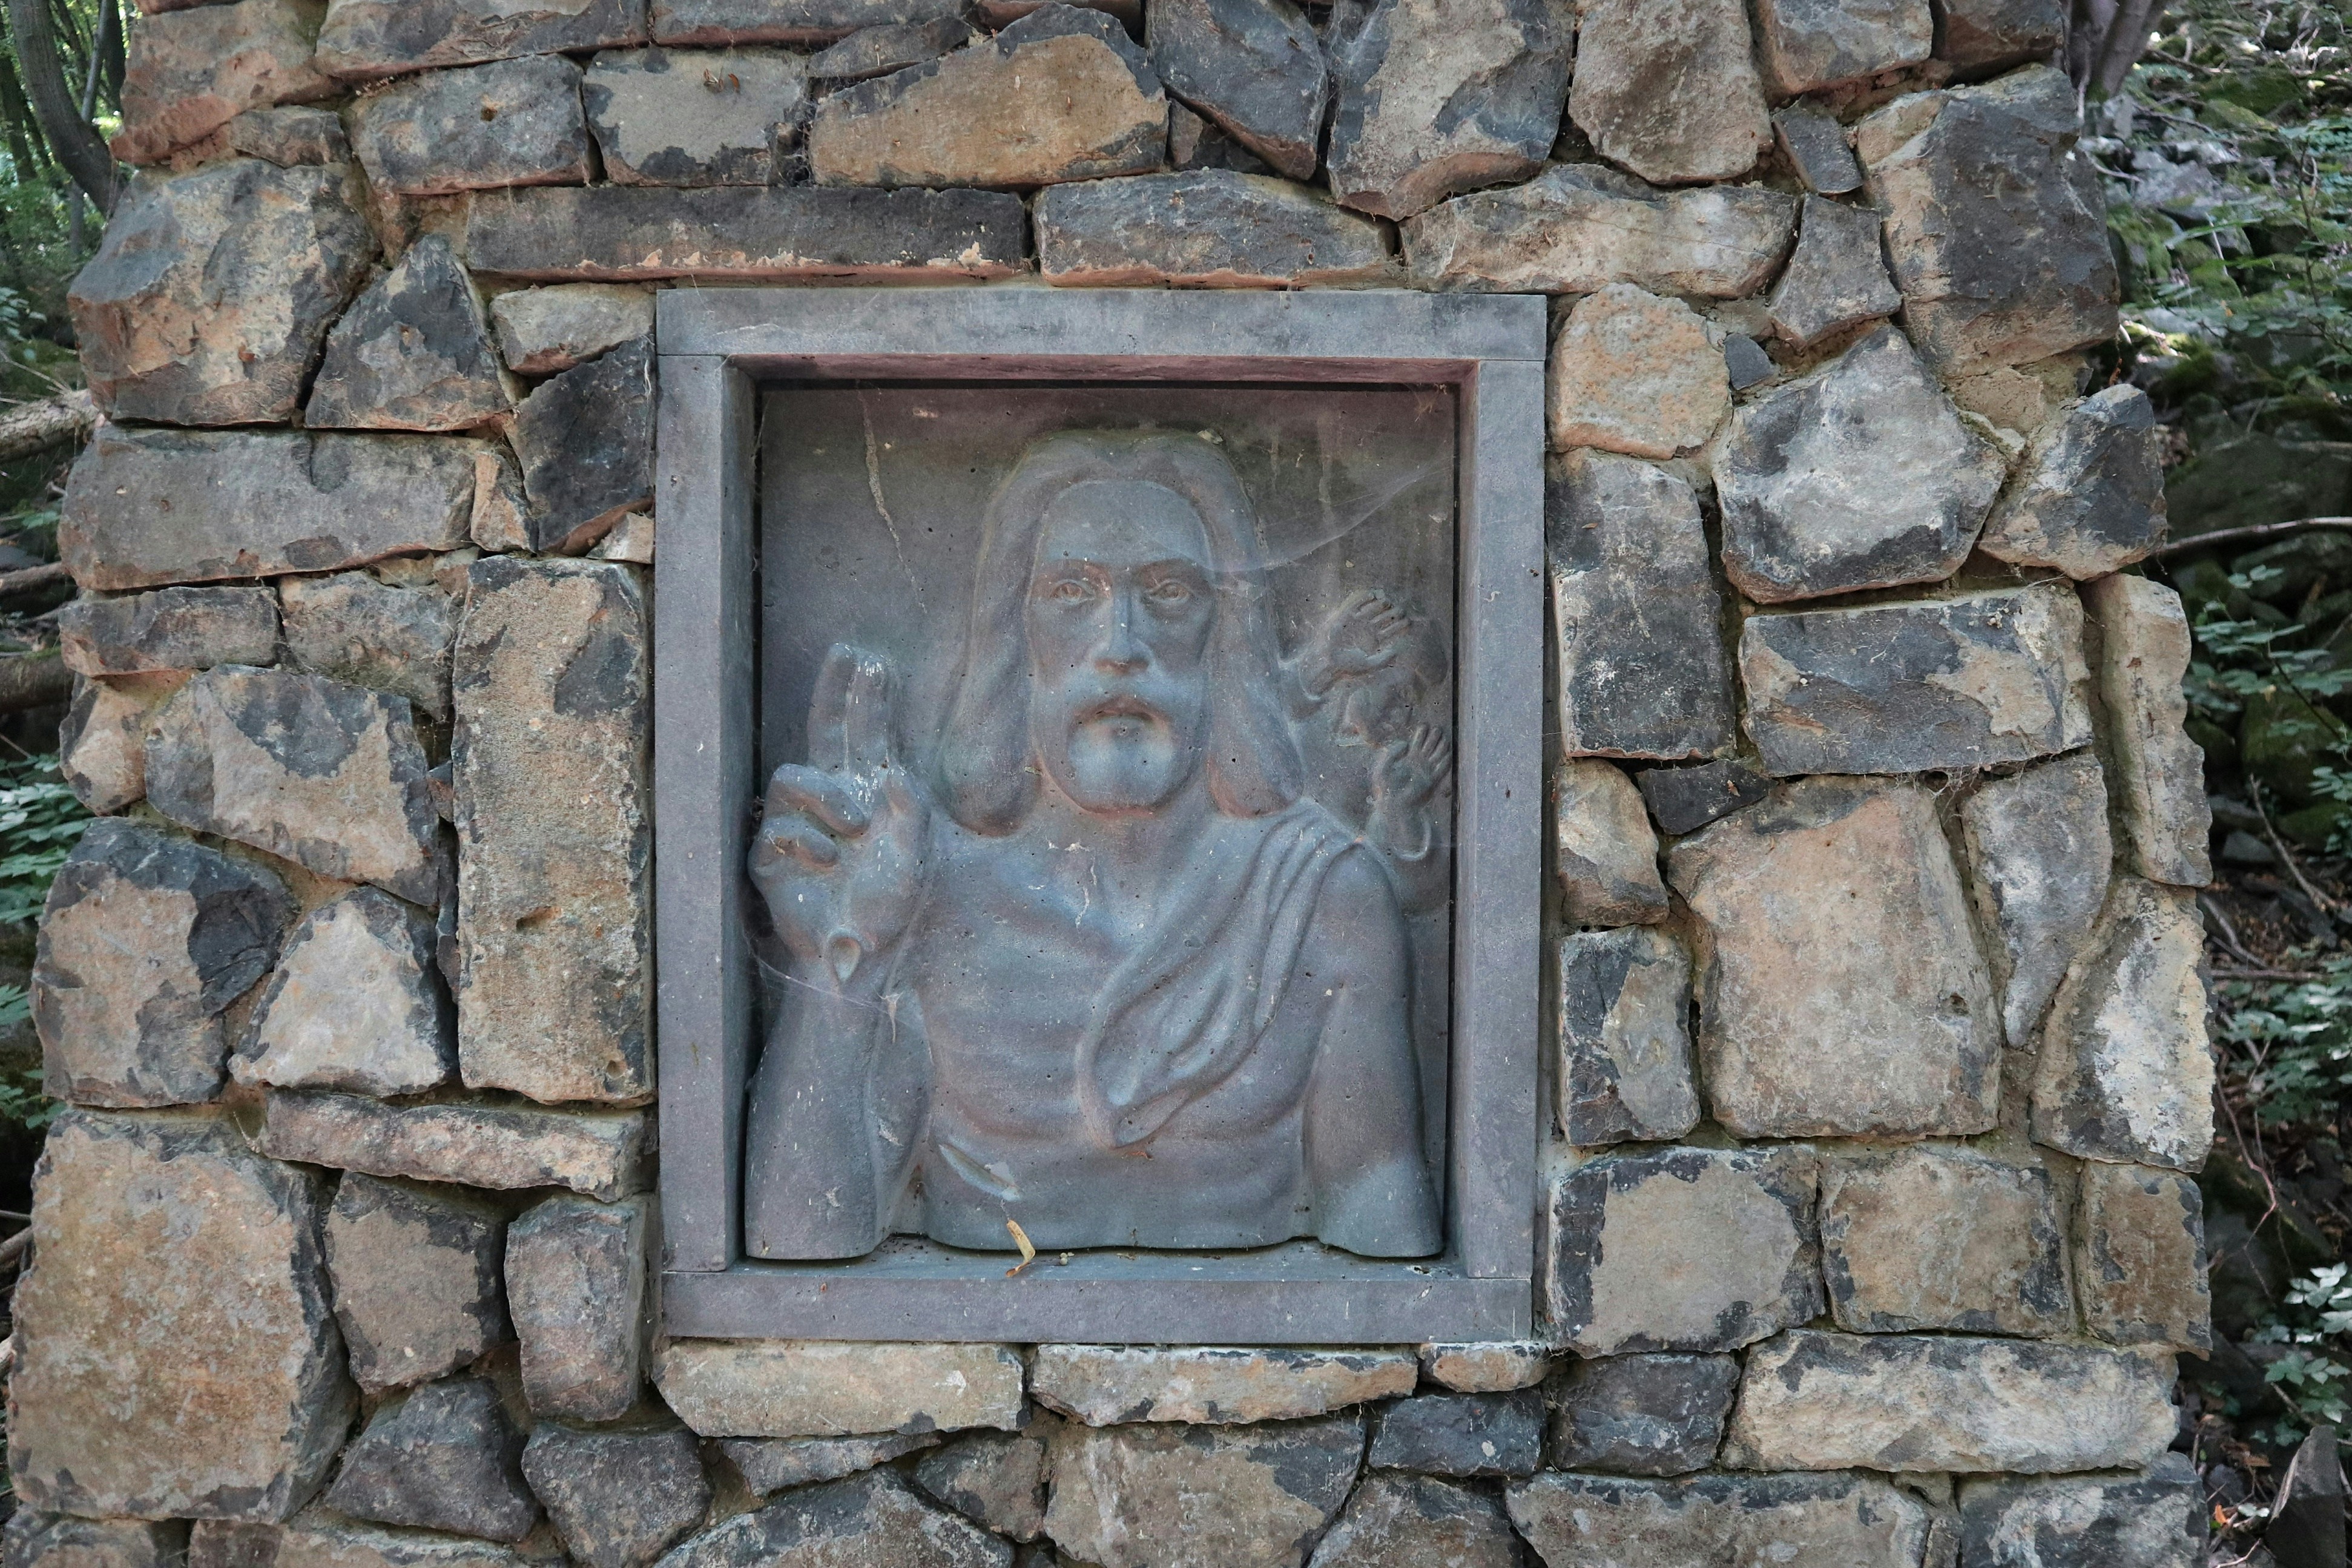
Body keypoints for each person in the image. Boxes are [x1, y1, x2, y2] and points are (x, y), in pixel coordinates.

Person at [745, 429, 1442, 1261]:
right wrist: (832, 962)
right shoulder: (926, 894)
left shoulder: (1325, 898)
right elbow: (802, 1242)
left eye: (1170, 592)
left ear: (1226, 634)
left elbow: (1380, 1220)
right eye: (1072, 590)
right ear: (1018, 634)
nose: (1119, 643)